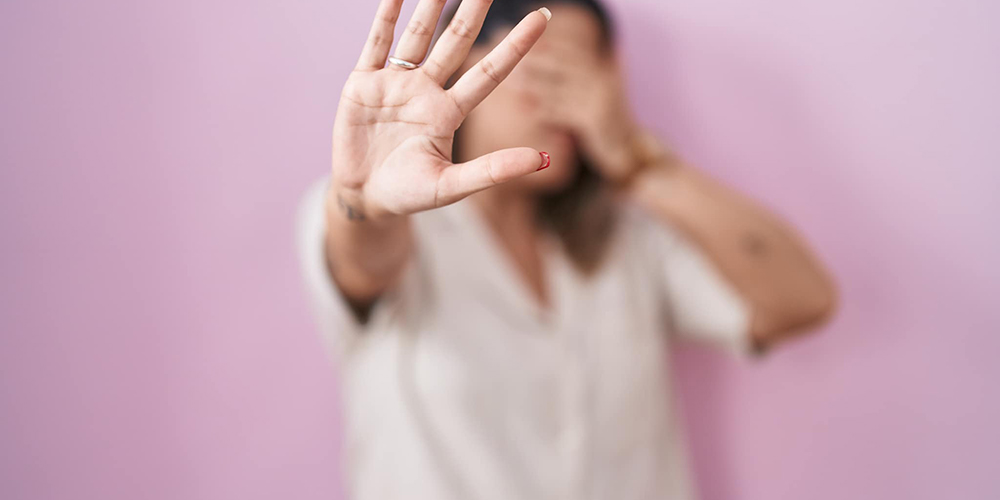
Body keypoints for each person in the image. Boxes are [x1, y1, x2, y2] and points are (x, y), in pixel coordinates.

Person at [297, 0, 837, 498]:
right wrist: (361, 203)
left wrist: (632, 157)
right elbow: (362, 260)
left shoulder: (629, 240)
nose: (570, 105)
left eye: (588, 78)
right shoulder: (394, 223)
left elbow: (802, 300)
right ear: (470, 66)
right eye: (550, 70)